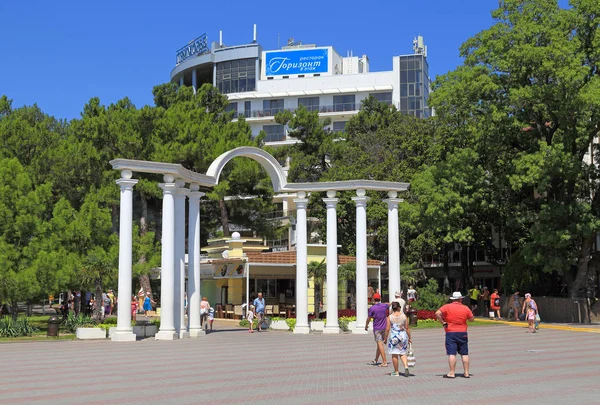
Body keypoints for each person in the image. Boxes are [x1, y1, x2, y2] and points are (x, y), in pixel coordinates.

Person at [435, 292, 474, 378]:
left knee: (452, 353)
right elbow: (471, 319)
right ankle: (466, 373)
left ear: (452, 299)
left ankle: (452, 372)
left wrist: (443, 322)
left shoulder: (447, 307)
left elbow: (437, 313)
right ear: (461, 299)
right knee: (464, 353)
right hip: (463, 332)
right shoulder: (465, 308)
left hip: (450, 332)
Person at [386, 301, 411, 377]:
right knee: (402, 353)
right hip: (403, 336)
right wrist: (409, 338)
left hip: (394, 337)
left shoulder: (389, 317)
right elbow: (407, 328)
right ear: (399, 307)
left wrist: (385, 338)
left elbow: (387, 329)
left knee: (394, 354)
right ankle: (406, 367)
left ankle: (396, 371)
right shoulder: (404, 316)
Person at [365, 293, 389, 367]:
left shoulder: (372, 308)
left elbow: (369, 318)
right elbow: (390, 304)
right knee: (379, 344)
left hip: (377, 329)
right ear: (380, 298)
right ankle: (376, 359)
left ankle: (384, 362)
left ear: (373, 299)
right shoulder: (385, 306)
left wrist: (366, 325)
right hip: (384, 328)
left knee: (380, 344)